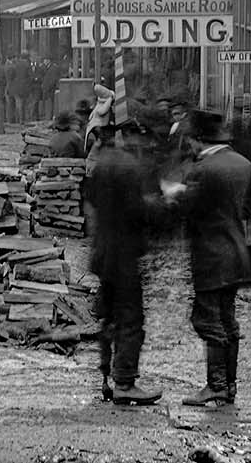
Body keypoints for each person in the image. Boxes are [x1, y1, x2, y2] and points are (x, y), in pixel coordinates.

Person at [163, 109, 251, 407]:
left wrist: (174, 194)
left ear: (198, 140)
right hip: (236, 252)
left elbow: (187, 212)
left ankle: (215, 385)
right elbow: (246, 212)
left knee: (206, 319)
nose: (188, 146)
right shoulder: (244, 165)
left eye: (190, 140)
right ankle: (229, 384)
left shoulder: (201, 170)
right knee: (228, 319)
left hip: (210, 255)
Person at [85, 119, 164, 405]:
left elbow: (91, 200)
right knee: (131, 318)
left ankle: (106, 376)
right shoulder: (128, 167)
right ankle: (125, 382)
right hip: (124, 256)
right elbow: (138, 211)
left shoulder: (101, 164)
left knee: (108, 317)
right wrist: (160, 206)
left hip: (103, 253)